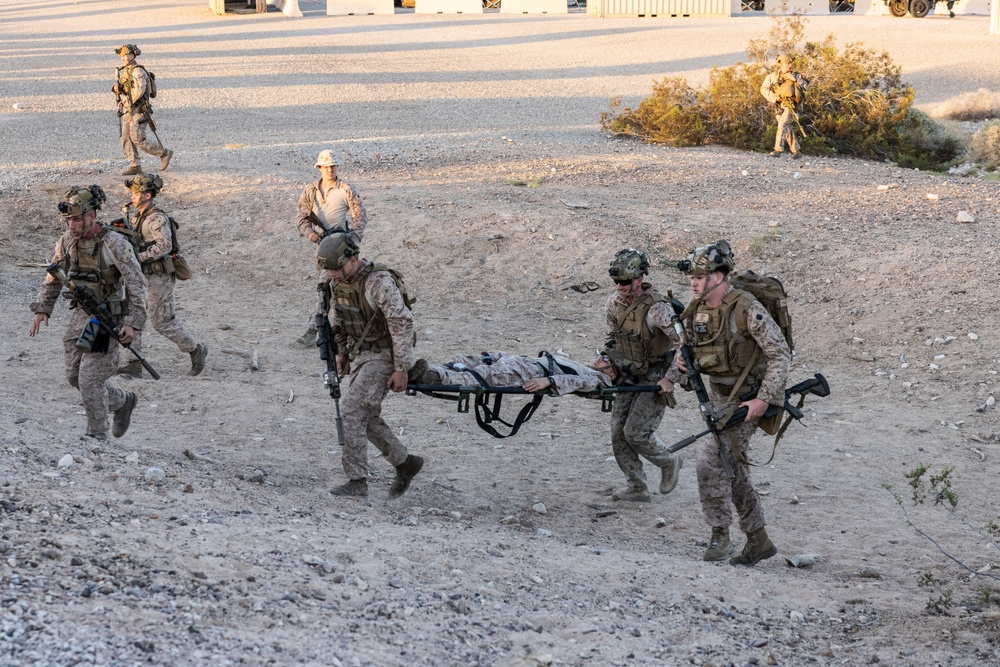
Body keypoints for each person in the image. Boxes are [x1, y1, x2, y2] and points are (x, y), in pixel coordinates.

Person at [658, 241, 791, 566]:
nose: (695, 281)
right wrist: (672, 376)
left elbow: (780, 354)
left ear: (719, 276)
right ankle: (758, 539)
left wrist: (762, 401)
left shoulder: (747, 308)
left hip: (747, 399)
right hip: (718, 397)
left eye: (701, 276)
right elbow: (685, 350)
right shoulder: (697, 310)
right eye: (693, 275)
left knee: (710, 462)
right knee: (733, 466)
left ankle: (720, 534)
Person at [28, 185, 148, 441]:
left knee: (91, 380)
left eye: (76, 219)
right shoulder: (67, 241)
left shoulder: (115, 244)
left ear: (92, 215)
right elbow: (54, 275)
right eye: (68, 220)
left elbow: (136, 283)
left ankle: (97, 438)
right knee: (75, 377)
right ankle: (123, 401)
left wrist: (133, 324)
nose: (71, 225)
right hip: (82, 317)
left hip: (110, 320)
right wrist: (42, 308)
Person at [316, 231, 423, 499]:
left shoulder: (378, 282)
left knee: (352, 411)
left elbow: (401, 324)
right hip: (361, 353)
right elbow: (339, 320)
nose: (333, 275)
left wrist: (401, 368)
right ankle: (405, 463)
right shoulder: (336, 280)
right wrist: (341, 353)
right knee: (366, 415)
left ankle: (357, 481)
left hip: (386, 354)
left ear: (351, 259)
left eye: (336, 269)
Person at [603, 249, 683, 503]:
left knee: (636, 432)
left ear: (639, 279)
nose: (619, 286)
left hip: (656, 373)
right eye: (616, 282)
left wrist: (670, 378)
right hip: (629, 373)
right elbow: (611, 339)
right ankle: (637, 486)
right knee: (618, 433)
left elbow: (686, 345)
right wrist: (607, 361)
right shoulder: (614, 303)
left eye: (625, 282)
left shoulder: (657, 308)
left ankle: (669, 461)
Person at [116, 174, 207, 379]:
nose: (133, 197)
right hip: (140, 275)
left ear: (147, 195)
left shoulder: (156, 218)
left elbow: (164, 246)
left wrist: (139, 258)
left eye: (136, 194)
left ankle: (195, 349)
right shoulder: (137, 215)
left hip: (158, 276)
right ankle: (133, 363)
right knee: (132, 317)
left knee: (162, 321)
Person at [295, 149, 368, 346]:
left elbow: (359, 217)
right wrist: (311, 234)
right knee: (334, 290)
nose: (330, 170)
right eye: (326, 167)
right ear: (319, 168)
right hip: (321, 247)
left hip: (341, 248)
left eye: (333, 166)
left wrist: (351, 240)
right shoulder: (310, 192)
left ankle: (313, 329)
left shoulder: (346, 189)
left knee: (326, 287)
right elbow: (301, 219)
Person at [409, 350, 619, 395]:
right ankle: (423, 370)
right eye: (602, 354)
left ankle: (431, 376)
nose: (600, 358)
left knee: (481, 376)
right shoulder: (583, 366)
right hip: (520, 362)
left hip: (526, 372)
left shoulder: (598, 378)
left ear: (612, 374)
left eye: (606, 360)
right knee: (464, 360)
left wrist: (549, 381)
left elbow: (582, 383)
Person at [113, 44, 172, 176]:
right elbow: (128, 88)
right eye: (122, 56)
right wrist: (117, 89)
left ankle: (163, 153)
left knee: (138, 138)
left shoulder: (137, 71)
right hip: (130, 109)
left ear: (133, 55)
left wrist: (126, 102)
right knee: (126, 137)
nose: (123, 58)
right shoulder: (126, 70)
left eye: (126, 55)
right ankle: (135, 165)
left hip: (139, 110)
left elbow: (139, 91)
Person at [760, 53, 809, 159]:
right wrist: (774, 98)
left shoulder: (796, 75)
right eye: (788, 63)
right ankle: (796, 151)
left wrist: (795, 80)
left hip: (792, 106)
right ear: (781, 64)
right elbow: (763, 89)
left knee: (782, 123)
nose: (790, 66)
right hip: (779, 106)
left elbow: (806, 87)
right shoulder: (773, 77)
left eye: (790, 63)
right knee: (786, 128)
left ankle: (778, 149)